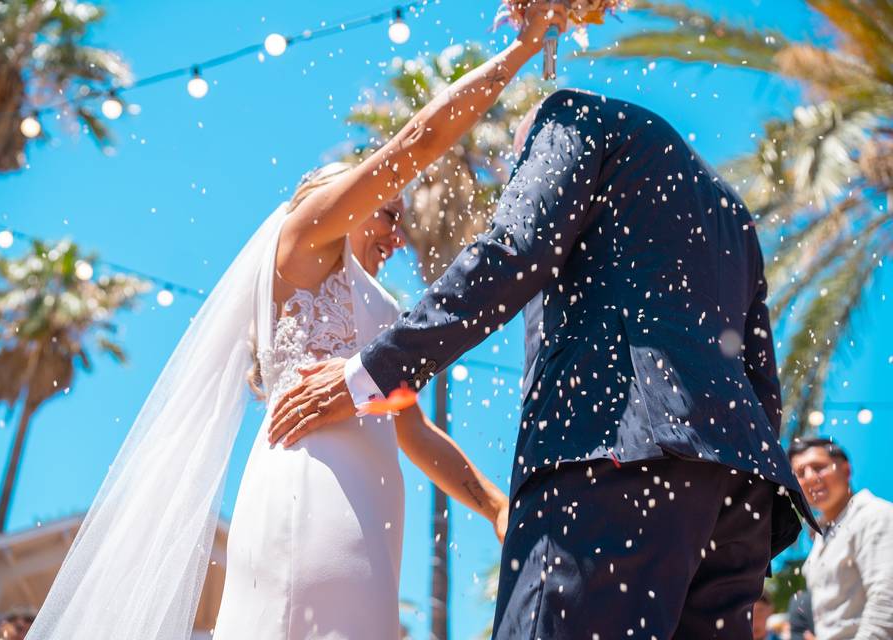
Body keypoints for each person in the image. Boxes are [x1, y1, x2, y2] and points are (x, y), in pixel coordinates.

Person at [25, 3, 568, 639]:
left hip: (372, 510)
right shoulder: (304, 239)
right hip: (312, 491)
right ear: (335, 198)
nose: (397, 232)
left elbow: (413, 430)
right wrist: (523, 50)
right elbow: (418, 142)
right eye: (387, 212)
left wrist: (495, 506)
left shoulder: (381, 313)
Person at [273, 86, 819, 637]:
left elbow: (515, 246)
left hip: (611, 457)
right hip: (737, 490)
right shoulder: (727, 205)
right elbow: (756, 369)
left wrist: (372, 373)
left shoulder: (568, 117)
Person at [789, 437, 893, 639]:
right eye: (800, 473)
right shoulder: (823, 536)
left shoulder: (875, 516)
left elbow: (887, 600)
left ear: (846, 470)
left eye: (818, 467)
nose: (810, 478)